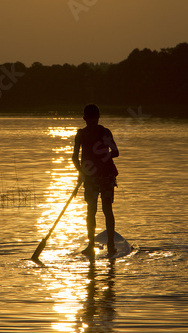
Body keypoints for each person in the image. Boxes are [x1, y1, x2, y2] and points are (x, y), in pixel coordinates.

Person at [72, 104, 119, 257]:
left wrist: (86, 169)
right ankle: (93, 245)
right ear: (85, 119)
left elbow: (115, 152)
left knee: (103, 210)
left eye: (93, 119)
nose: (92, 121)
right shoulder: (85, 134)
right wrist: (82, 172)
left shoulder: (103, 133)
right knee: (93, 211)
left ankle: (109, 246)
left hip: (104, 177)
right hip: (93, 178)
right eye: (91, 119)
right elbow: (115, 152)